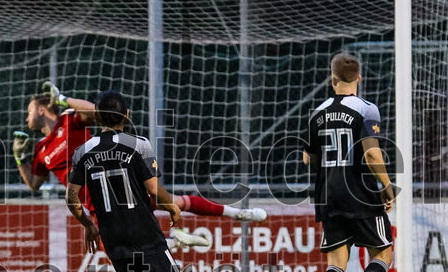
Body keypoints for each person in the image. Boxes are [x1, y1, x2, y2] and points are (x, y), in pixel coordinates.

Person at [13, 82, 267, 225]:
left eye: (29, 109)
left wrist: (64, 99)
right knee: (133, 255)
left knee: (173, 201)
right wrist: (18, 158)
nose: (27, 116)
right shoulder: (40, 149)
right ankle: (175, 243)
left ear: (43, 108)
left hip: (117, 187)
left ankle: (237, 213)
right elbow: (34, 184)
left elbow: (101, 112)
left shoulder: (68, 120)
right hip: (95, 206)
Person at [67, 90, 184, 272]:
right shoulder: (138, 144)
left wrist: (88, 224)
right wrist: (172, 207)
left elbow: (71, 198)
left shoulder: (82, 152)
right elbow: (154, 191)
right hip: (141, 227)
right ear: (127, 115)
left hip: (111, 233)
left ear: (96, 117)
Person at [303, 52, 396, 272]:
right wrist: (387, 184)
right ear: (359, 78)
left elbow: (309, 159)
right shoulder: (366, 109)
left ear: (332, 80)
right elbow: (371, 153)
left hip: (329, 194)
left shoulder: (317, 112)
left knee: (336, 261)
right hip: (360, 193)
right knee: (383, 252)